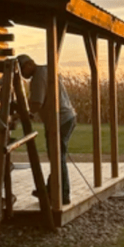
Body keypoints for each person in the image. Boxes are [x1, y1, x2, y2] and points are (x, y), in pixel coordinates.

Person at [17, 54, 75, 205]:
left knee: (57, 157)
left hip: (60, 120)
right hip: (66, 117)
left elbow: (36, 103)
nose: (23, 75)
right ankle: (51, 189)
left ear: (29, 65)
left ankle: (62, 194)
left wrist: (22, 112)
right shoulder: (46, 70)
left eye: (22, 70)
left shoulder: (38, 77)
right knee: (56, 156)